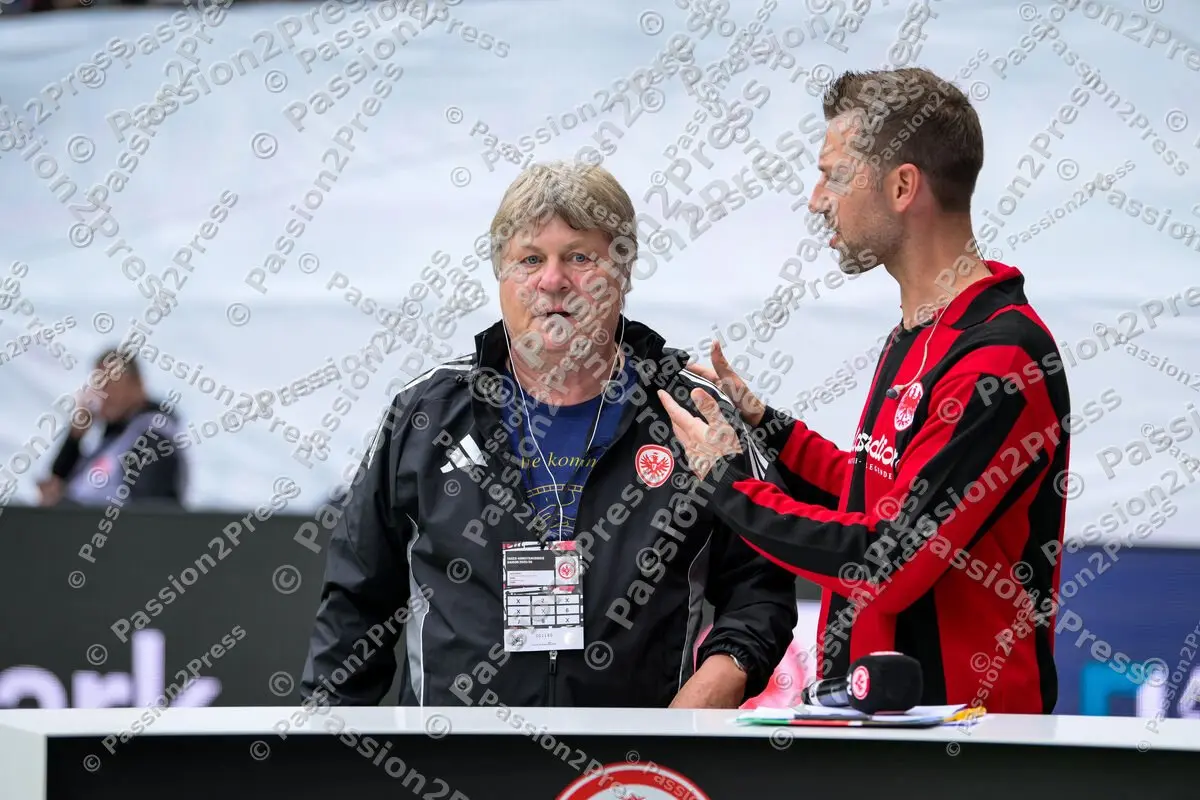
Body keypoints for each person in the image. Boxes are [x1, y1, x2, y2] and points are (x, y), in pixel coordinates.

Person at [300, 160, 797, 708]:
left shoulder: (694, 414)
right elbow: (356, 603)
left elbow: (762, 587)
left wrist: (714, 686)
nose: (553, 280)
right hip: (449, 770)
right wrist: (331, 757)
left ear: (623, 272)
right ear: (502, 275)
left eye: (580, 257)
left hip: (633, 776)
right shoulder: (427, 414)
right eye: (530, 259)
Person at [659, 67, 1071, 714]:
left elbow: (890, 558)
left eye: (834, 174)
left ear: (903, 185)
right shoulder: (921, 332)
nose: (817, 198)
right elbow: (873, 490)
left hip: (967, 746)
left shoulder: (999, 359)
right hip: (887, 726)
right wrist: (766, 423)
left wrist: (726, 485)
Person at [39, 349, 187, 507]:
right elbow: (62, 482)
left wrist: (62, 504)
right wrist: (75, 438)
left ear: (137, 384)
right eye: (97, 385)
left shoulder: (153, 438)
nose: (102, 395)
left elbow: (147, 514)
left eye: (110, 385)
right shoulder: (115, 438)